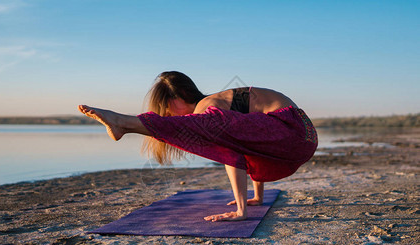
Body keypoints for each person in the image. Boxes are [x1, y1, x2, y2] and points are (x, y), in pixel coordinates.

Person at [78, 71, 318, 222]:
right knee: (212, 130)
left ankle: (122, 122)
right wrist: (257, 197)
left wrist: (241, 211)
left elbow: (231, 157)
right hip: (301, 135)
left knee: (200, 127)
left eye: (167, 106)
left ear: (180, 95)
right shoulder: (223, 105)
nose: (169, 113)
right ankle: (124, 124)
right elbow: (249, 146)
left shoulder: (209, 105)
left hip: (291, 130)